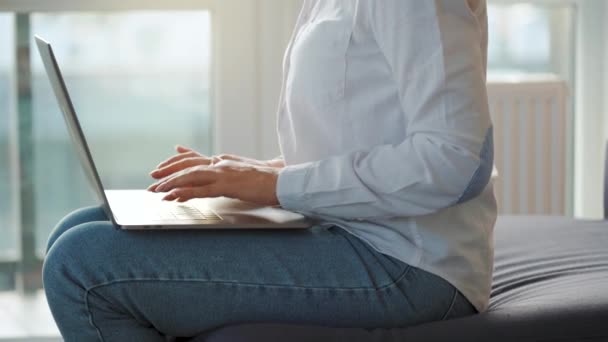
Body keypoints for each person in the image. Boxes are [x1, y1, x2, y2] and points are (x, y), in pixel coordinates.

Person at [43, 0, 496, 341]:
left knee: (81, 265)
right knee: (79, 229)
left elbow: (457, 161)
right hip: (352, 227)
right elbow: (363, 136)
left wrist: (276, 186)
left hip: (409, 262)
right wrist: (248, 173)